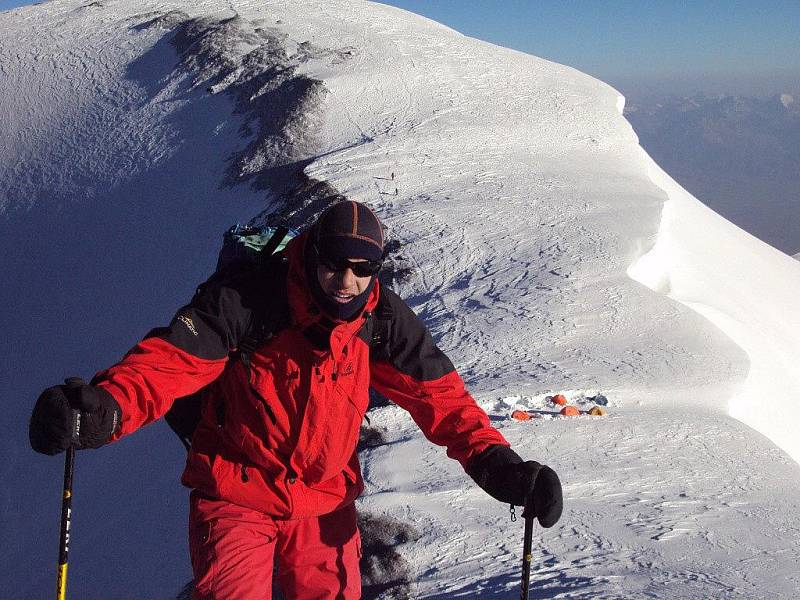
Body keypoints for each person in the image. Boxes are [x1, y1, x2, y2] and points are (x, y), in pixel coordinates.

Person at [30, 200, 562, 599]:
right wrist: (107, 409)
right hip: (236, 491)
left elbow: (442, 402)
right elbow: (170, 365)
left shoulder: (380, 319)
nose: (345, 281)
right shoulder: (248, 301)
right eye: (334, 264)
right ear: (310, 254)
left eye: (362, 269)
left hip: (325, 501)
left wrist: (500, 467)